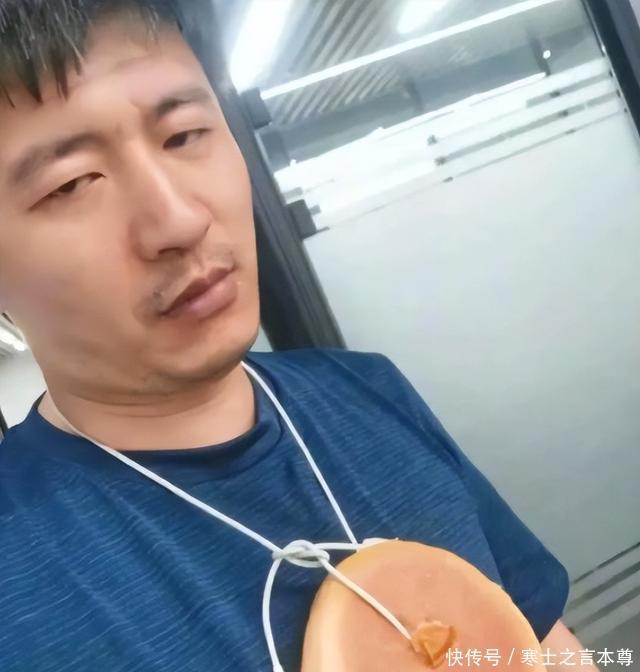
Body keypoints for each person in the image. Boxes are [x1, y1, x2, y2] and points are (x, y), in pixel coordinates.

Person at [0, 1, 588, 670]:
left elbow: (546, 644)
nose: (179, 221)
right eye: (72, 183)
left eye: (184, 135)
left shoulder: (367, 390)